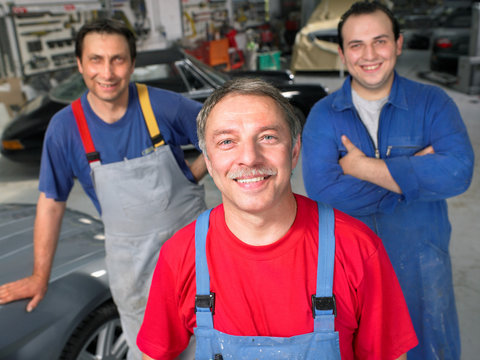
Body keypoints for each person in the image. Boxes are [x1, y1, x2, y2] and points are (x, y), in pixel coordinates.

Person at [137, 78, 418, 360]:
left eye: (268, 137)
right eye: (226, 141)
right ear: (209, 162)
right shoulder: (180, 256)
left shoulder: (358, 249)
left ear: (294, 151)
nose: (249, 157)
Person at [0, 18, 207, 359]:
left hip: (193, 259)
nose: (107, 72)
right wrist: (39, 276)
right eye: (96, 59)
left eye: (118, 59)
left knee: (209, 342)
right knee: (149, 349)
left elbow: (225, 139)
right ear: (80, 64)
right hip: (132, 270)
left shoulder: (164, 107)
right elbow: (51, 202)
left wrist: (192, 173)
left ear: (132, 63)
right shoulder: (65, 128)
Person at [301, 2, 475, 360]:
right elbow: (324, 189)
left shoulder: (433, 103)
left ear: (398, 43)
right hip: (349, 266)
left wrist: (363, 168)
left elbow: (457, 173)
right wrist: (411, 176)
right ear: (342, 52)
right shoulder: (323, 115)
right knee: (361, 348)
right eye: (356, 44)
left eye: (379, 41)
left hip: (422, 259)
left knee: (430, 349)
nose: (369, 55)